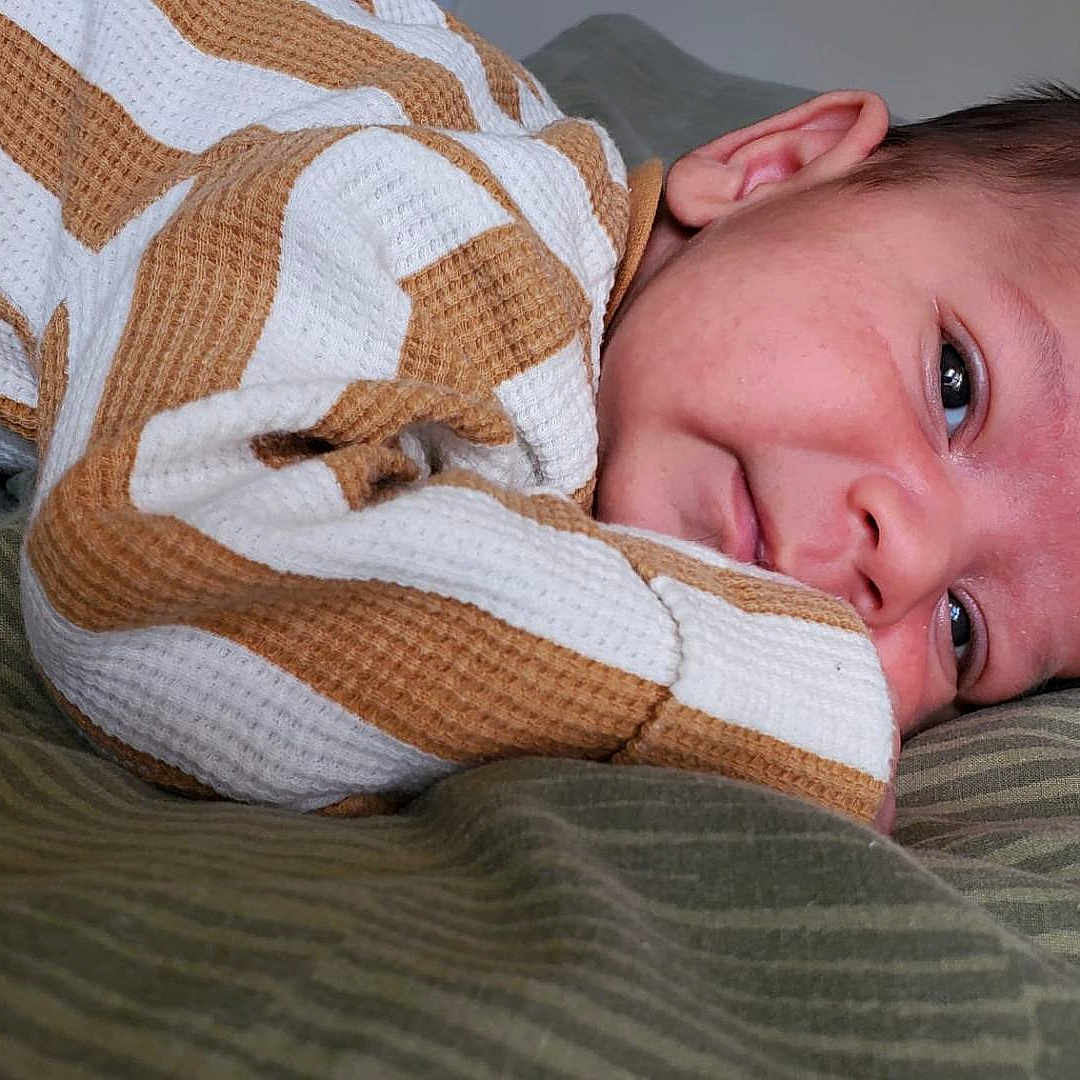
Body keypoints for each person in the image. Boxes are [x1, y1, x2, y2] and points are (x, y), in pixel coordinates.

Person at [3, 1, 1073, 832]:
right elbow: (153, 566)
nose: (911, 553)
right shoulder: (443, 225)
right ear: (772, 170)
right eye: (953, 383)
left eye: (964, 631)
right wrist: (771, 697)